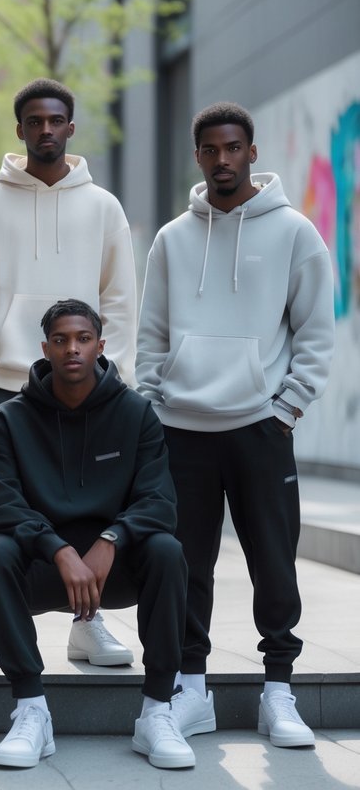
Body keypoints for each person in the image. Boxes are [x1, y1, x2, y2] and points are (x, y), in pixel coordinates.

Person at [137, 102, 334, 749]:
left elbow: (313, 331)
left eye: (232, 148)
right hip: (180, 430)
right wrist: (151, 405)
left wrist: (286, 408)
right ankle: (191, 690)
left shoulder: (294, 233)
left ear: (251, 152)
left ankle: (277, 691)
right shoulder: (171, 239)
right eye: (209, 150)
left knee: (273, 562)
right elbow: (152, 335)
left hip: (258, 426)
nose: (221, 160)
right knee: (185, 565)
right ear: (197, 155)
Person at [0, 77, 138, 668]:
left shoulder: (103, 206)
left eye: (56, 121)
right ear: (21, 130)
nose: (46, 130)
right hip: (10, 388)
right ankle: (20, 650)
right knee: (19, 517)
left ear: (71, 128)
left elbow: (121, 302)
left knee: (92, 506)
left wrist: (119, 381)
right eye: (35, 121)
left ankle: (89, 623)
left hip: (91, 390)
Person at [0, 299, 191, 769]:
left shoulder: (136, 413)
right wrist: (59, 550)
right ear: (45, 349)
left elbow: (159, 502)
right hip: (44, 567)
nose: (72, 349)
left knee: (167, 551)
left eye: (83, 339)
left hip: (114, 569)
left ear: (100, 347)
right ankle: (31, 708)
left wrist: (111, 540)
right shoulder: (8, 420)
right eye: (61, 340)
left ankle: (157, 711)